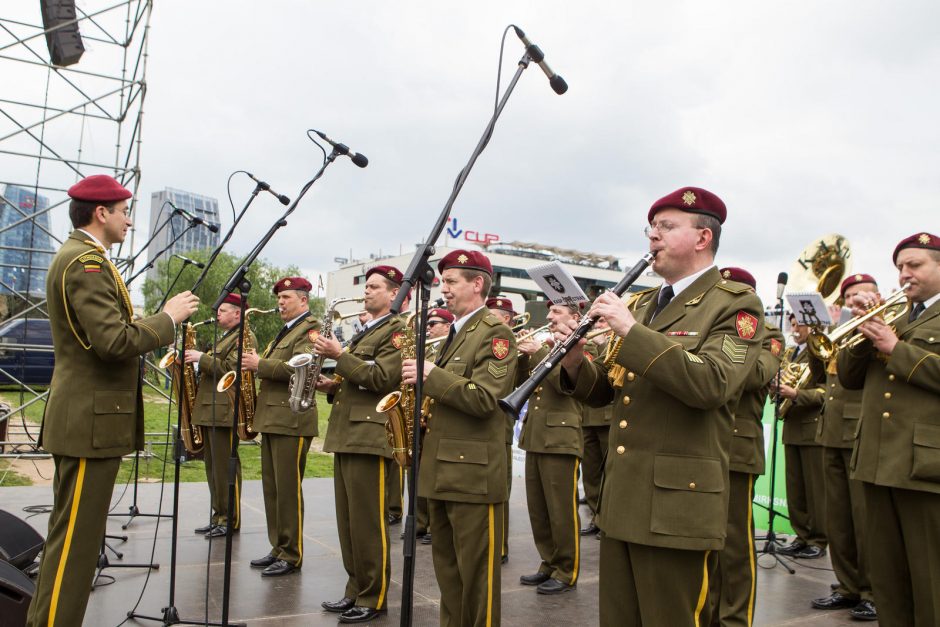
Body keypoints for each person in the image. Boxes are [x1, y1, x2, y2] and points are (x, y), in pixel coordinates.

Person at [556, 187, 763, 626]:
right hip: (625, 498)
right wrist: (574, 360)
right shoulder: (647, 303)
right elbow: (609, 393)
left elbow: (711, 383)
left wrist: (630, 331)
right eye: (651, 228)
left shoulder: (735, 303)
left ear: (703, 238)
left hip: (676, 507)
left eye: (666, 227)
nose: (653, 237)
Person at [26, 175, 199, 627]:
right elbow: (112, 342)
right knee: (76, 547)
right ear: (101, 213)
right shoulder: (85, 263)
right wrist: (168, 320)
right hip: (89, 425)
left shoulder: (82, 258)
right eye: (124, 212)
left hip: (87, 422)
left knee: (69, 542)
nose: (129, 221)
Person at [402, 249, 517, 627]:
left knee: (476, 580)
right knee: (449, 575)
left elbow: (486, 399)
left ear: (477, 283)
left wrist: (430, 375)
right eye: (442, 281)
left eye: (451, 281)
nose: (443, 288)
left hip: (473, 476)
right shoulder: (457, 331)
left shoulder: (495, 333)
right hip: (443, 470)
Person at [837, 232, 940, 627]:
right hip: (878, 461)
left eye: (915, 265)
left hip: (925, 466)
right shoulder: (895, 314)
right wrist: (865, 331)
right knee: (887, 578)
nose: (904, 275)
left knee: (930, 577)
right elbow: (849, 377)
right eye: (900, 267)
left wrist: (896, 348)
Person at [314, 265, 406, 624]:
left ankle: (373, 595)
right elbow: (358, 376)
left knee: (368, 523)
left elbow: (383, 377)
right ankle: (355, 589)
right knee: (349, 522)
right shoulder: (368, 330)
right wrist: (333, 384)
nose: (365, 291)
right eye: (365, 286)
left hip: (370, 436)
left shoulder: (396, 331)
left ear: (394, 293)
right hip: (348, 434)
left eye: (373, 286)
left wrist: (340, 356)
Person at [708, 267, 784, 627]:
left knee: (735, 544)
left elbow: (754, 375)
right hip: (704, 444)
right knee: (704, 540)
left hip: (738, 447)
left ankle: (735, 619)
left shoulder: (769, 335)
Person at [807, 274, 878, 621]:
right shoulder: (845, 329)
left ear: (876, 295)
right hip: (831, 431)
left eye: (861, 294)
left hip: (858, 433)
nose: (854, 300)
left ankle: (871, 591)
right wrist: (819, 333)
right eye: (849, 295)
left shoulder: (876, 327)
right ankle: (847, 586)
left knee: (864, 520)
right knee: (839, 519)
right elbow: (819, 375)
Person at [242, 276, 319, 577]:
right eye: (279, 298)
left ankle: (291, 553)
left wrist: (258, 365)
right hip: (275, 417)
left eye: (286, 297)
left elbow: (302, 368)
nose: (280, 303)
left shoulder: (309, 330)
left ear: (303, 299)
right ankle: (278, 547)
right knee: (272, 489)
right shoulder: (287, 330)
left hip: (292, 417)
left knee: (287, 490)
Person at [517, 301, 592, 594]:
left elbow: (565, 384)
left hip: (561, 438)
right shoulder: (547, 344)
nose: (549, 317)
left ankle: (566, 568)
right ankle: (548, 562)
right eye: (549, 312)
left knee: (561, 510)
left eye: (556, 312)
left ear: (575, 317)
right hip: (536, 434)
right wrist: (523, 357)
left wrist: (537, 351)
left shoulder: (586, 346)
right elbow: (523, 384)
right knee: (539, 509)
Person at [183, 293, 256, 538]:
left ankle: (229, 518)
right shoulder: (225, 337)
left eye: (223, 310)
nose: (217, 314)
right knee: (212, 469)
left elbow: (231, 371)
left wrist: (200, 358)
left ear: (238, 313)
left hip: (225, 410)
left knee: (225, 468)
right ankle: (218, 515)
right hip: (209, 409)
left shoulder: (244, 337)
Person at [770, 314, 827, 559]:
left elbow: (827, 392)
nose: (795, 329)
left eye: (800, 325)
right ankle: (802, 536)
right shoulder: (790, 353)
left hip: (812, 427)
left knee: (816, 490)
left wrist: (796, 394)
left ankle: (818, 539)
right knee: (795, 488)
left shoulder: (821, 352)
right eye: (792, 325)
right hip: (792, 426)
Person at [487, 295, 519, 563]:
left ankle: (500, 547)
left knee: (499, 491)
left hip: (500, 425)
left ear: (506, 319)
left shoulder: (504, 339)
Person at [579, 317, 612, 537]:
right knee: (590, 473)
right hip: (587, 416)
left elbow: (610, 368)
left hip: (608, 416)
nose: (599, 325)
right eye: (597, 322)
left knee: (609, 473)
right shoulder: (589, 341)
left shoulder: (614, 340)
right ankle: (595, 517)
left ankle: (608, 521)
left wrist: (602, 343)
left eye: (603, 321)